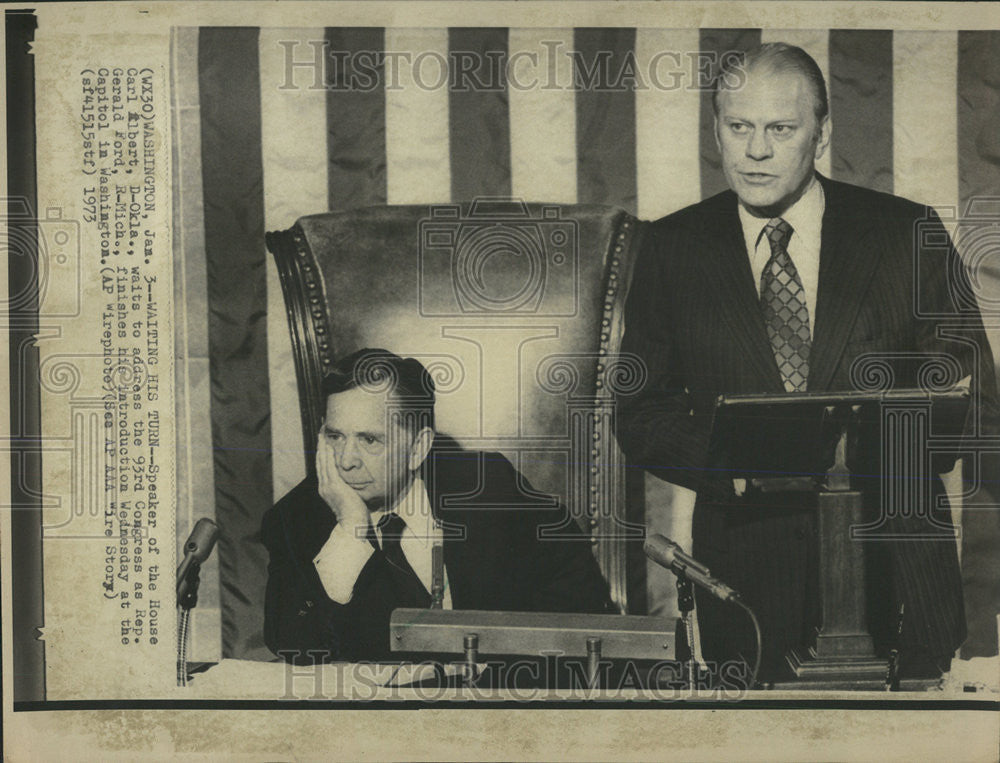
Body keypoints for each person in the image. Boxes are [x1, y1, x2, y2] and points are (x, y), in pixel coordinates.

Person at [615, 43, 999, 683]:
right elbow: (641, 411)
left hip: (898, 586)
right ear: (716, 131)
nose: (755, 151)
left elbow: (976, 407)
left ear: (821, 136)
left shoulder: (908, 234)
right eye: (738, 127)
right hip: (745, 594)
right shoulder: (672, 247)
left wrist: (847, 453)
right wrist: (738, 463)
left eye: (780, 129)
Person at [262, 348, 613, 663]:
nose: (346, 461)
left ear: (418, 447)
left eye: (369, 440)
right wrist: (350, 531)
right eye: (335, 437)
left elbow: (586, 611)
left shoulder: (491, 488)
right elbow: (294, 646)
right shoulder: (295, 518)